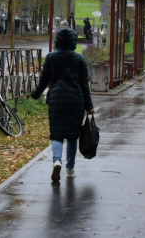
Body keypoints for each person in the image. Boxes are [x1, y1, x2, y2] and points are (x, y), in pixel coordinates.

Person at [31, 27, 95, 182]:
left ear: (58, 41)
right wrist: (89, 106)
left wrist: (35, 94)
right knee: (73, 136)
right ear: (73, 41)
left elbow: (44, 81)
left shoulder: (51, 58)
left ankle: (56, 161)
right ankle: (70, 169)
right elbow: (84, 85)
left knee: (57, 135)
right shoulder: (80, 59)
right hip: (76, 101)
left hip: (57, 100)